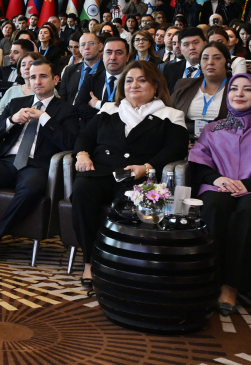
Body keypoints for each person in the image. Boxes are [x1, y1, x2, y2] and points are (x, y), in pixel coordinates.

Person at [71, 60, 188, 288]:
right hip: (101, 172)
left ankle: (118, 264)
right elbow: (85, 136)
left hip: (140, 177)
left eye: (142, 80)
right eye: (129, 80)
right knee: (82, 190)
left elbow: (176, 149)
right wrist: (82, 154)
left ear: (155, 86)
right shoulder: (109, 110)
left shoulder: (171, 114)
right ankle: (89, 262)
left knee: (127, 204)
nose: (134, 85)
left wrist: (147, 167)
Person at [0, 59, 79, 265]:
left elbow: (71, 142)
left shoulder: (67, 110)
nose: (37, 81)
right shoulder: (16, 104)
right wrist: (11, 120)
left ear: (55, 80)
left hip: (37, 165)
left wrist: (45, 118)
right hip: (6, 161)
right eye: (32, 77)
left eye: (43, 76)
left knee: (29, 190)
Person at [186, 73, 251, 316]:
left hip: (250, 189)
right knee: (214, 206)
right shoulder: (215, 127)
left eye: (247, 89)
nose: (240, 94)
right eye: (234, 89)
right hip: (218, 185)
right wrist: (218, 179)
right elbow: (199, 163)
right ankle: (207, 279)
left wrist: (246, 184)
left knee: (247, 211)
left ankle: (231, 285)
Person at [171, 41, 231, 137]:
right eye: (205, 58)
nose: (210, 62)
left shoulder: (236, 88)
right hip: (184, 142)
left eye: (217, 58)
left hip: (222, 143)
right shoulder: (184, 85)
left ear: (227, 63)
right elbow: (168, 116)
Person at [75, 36, 131, 124]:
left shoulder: (133, 82)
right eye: (108, 52)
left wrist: (98, 104)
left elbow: (129, 111)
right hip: (91, 133)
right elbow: (79, 107)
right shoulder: (91, 79)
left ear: (127, 57)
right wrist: (108, 116)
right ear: (103, 56)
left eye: (119, 53)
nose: (113, 57)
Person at [161, 27, 207, 94]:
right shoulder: (169, 69)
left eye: (196, 43)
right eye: (186, 44)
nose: (191, 48)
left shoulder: (211, 68)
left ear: (205, 44)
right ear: (181, 48)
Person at [59, 33, 102, 102]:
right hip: (70, 110)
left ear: (100, 46)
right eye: (82, 44)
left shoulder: (107, 71)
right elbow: (62, 99)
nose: (86, 47)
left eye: (91, 43)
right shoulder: (69, 70)